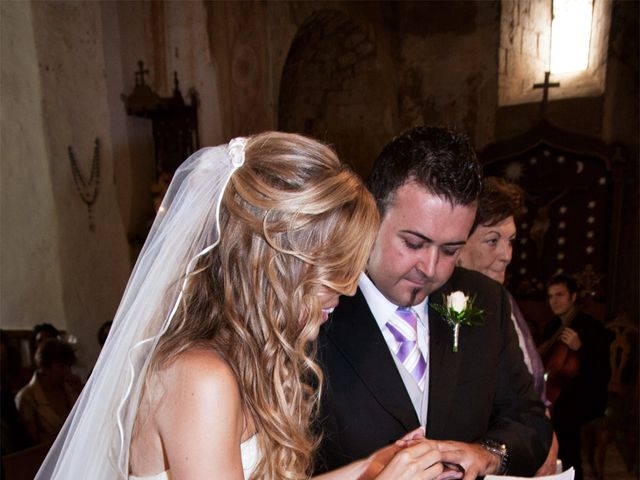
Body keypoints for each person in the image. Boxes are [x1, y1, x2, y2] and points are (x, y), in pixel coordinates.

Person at [36, 132, 453, 480]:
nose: (345, 291)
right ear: (275, 267)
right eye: (331, 271)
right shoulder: (200, 378)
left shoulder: (238, 360)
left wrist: (372, 468)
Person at [315, 126, 552, 478]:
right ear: (371, 215)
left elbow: (531, 421)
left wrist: (488, 455)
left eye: (450, 250)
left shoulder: (487, 301)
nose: (431, 269)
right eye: (413, 243)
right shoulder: (314, 311)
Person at [456, 176, 559, 476]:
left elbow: (528, 386)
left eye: (511, 241)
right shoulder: (440, 310)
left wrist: (542, 431)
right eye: (492, 240)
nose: (506, 255)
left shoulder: (503, 300)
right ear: (459, 242)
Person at [540, 274, 611, 480]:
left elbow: (602, 371)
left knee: (562, 418)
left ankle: (572, 472)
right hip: (558, 391)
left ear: (573, 296)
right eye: (551, 296)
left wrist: (581, 349)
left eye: (560, 295)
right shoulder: (552, 327)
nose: (554, 301)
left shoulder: (592, 327)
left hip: (587, 394)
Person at [15, 338, 82, 445]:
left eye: (69, 366)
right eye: (61, 366)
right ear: (44, 367)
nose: (67, 371)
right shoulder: (27, 396)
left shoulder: (71, 389)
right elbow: (31, 441)